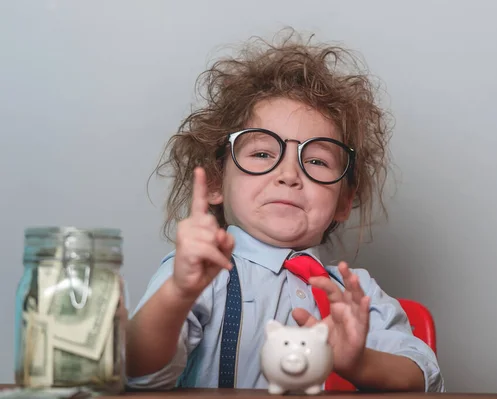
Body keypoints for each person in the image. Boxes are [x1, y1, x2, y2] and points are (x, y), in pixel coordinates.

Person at [126, 30, 444, 392]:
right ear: (216, 181)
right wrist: (177, 296)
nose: (289, 175)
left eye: (316, 160)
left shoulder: (356, 292)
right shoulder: (198, 274)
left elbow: (424, 378)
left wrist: (360, 362)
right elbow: (139, 372)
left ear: (342, 201)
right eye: (262, 154)